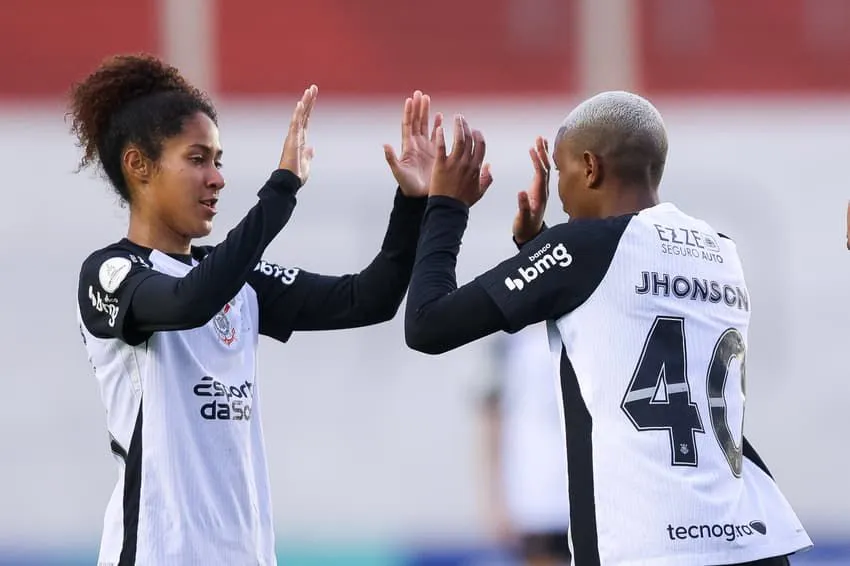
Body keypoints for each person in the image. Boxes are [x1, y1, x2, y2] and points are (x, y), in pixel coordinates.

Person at [403, 94, 812, 566]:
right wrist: (535, 249)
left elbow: (427, 325)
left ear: (591, 168)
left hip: (647, 546)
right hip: (750, 539)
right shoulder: (723, 252)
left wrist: (445, 206)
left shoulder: (581, 251)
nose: (557, 194)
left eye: (560, 172)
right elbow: (618, 308)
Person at [72, 54, 440, 565]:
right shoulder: (112, 273)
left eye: (218, 160)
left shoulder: (235, 280)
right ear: (139, 165)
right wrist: (282, 188)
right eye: (197, 159)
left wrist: (412, 201)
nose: (217, 178)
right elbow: (188, 301)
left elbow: (369, 299)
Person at [479, 324, 571, 566]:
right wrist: (495, 499)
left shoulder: (585, 324)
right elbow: (492, 420)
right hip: (532, 495)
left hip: (584, 486)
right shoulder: (507, 342)